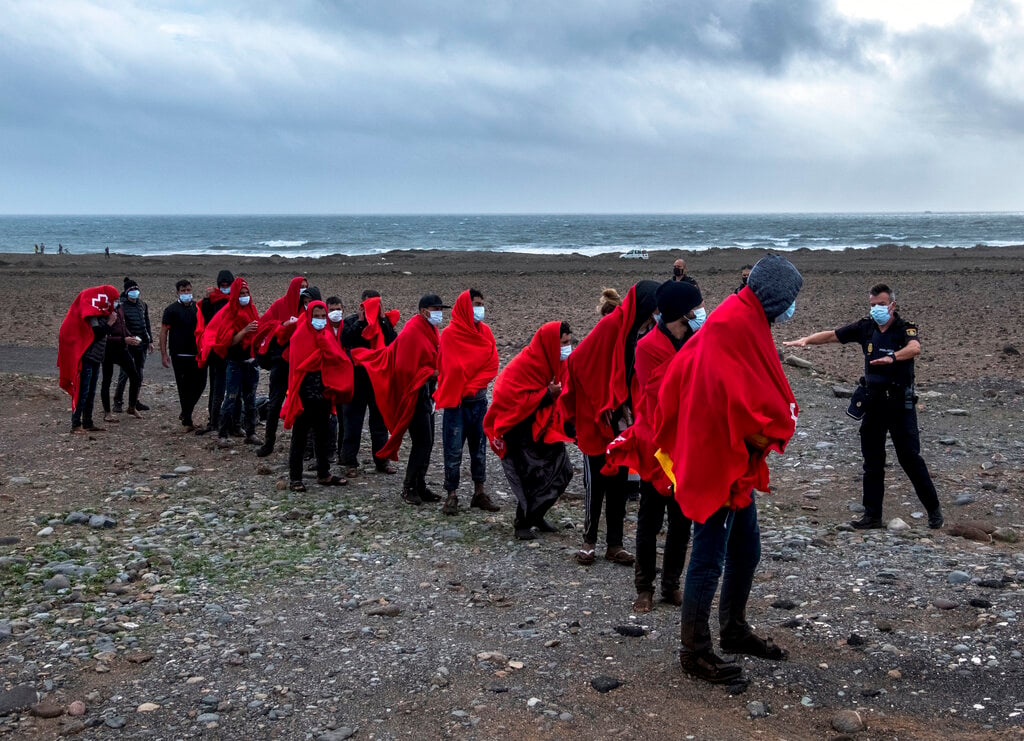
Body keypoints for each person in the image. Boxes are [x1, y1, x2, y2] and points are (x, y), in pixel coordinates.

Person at [655, 253, 801, 685]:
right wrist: (761, 429)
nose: (792, 308)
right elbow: (724, 394)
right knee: (708, 557)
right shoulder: (732, 324)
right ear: (775, 296)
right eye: (790, 299)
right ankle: (694, 651)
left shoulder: (745, 318)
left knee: (745, 551)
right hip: (717, 459)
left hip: (733, 460)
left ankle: (733, 630)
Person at [783, 283, 943, 530]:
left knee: (910, 458)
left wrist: (892, 357)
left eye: (881, 304)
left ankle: (934, 511)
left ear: (892, 305)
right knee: (872, 461)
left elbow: (915, 348)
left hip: (901, 404)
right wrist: (806, 340)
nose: (876, 309)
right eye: (872, 305)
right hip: (873, 403)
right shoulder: (866, 327)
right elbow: (833, 335)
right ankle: (872, 516)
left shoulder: (905, 328)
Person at [606, 280, 704, 612]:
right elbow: (658, 396)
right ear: (685, 312)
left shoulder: (696, 338)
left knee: (681, 519)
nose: (702, 311)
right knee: (650, 518)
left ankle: (671, 584)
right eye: (697, 307)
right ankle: (644, 586)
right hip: (657, 443)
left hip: (688, 443)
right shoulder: (648, 347)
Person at [558, 280, 659, 567]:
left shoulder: (643, 329)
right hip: (597, 414)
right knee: (596, 479)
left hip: (622, 414)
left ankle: (614, 544)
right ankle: (589, 540)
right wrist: (603, 401)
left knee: (619, 479)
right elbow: (579, 363)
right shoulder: (612, 326)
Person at [484, 321, 574, 540]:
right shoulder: (523, 365)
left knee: (563, 472)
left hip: (543, 428)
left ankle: (536, 514)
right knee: (529, 478)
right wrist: (545, 395)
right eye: (564, 343)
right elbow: (507, 397)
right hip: (520, 431)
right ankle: (522, 523)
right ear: (551, 343)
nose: (567, 348)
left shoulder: (553, 365)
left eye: (570, 342)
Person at [353, 294, 444, 506]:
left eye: (440, 308)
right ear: (423, 310)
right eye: (435, 308)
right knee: (422, 442)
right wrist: (430, 373)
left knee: (427, 443)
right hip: (414, 395)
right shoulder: (414, 331)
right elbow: (405, 367)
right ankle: (409, 487)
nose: (439, 313)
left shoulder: (428, 329)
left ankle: (420, 485)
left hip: (425, 393)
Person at [435, 289, 501, 516]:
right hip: (456, 404)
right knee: (453, 450)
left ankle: (479, 492)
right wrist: (467, 380)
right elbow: (448, 368)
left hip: (478, 400)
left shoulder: (485, 332)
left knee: (479, 449)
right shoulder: (449, 335)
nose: (479, 309)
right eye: (475, 304)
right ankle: (451, 494)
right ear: (465, 306)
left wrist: (470, 384)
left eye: (481, 304)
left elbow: (492, 364)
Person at [281, 300, 354, 491]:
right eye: (317, 316)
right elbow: (297, 368)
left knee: (323, 435)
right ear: (309, 315)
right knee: (300, 436)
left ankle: (324, 473)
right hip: (304, 394)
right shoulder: (300, 336)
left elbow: (336, 359)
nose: (321, 320)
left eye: (323, 316)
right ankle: (295, 478)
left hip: (323, 393)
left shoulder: (326, 336)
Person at [340, 290, 400, 476]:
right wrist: (360, 322)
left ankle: (381, 460)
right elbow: (345, 340)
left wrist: (382, 320)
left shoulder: (385, 323)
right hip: (357, 379)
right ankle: (349, 462)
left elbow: (393, 342)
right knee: (352, 422)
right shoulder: (351, 321)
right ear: (361, 305)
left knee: (379, 423)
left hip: (378, 381)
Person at [198, 277, 262, 447]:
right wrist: (245, 331)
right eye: (241, 293)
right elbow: (228, 341)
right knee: (231, 397)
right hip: (235, 362)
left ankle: (250, 432)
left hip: (251, 361)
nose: (245, 296)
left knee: (250, 399)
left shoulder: (251, 310)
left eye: (246, 293)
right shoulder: (229, 313)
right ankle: (223, 434)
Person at [253, 276, 309, 457]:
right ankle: (269, 442)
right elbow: (263, 325)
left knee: (304, 402)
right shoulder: (280, 305)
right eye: (300, 287)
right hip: (281, 361)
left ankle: (303, 445)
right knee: (275, 402)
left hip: (301, 362)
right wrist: (282, 325)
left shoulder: (307, 307)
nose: (303, 290)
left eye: (305, 287)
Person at [58, 285, 120, 433]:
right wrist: (110, 323)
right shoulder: (92, 315)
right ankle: (76, 424)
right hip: (87, 357)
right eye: (115, 300)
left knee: (91, 391)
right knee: (83, 391)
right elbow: (96, 333)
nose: (116, 303)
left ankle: (87, 422)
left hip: (97, 357)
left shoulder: (105, 313)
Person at [160, 279, 207, 433]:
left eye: (188, 290)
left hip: (196, 353)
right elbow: (163, 332)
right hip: (179, 354)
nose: (186, 293)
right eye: (183, 291)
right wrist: (164, 354)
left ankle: (186, 412)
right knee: (183, 387)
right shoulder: (171, 310)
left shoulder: (197, 308)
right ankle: (187, 420)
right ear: (177, 292)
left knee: (200, 384)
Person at [196, 270, 235, 434]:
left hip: (232, 349)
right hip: (216, 351)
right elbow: (205, 324)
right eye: (222, 285)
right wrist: (206, 299)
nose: (225, 288)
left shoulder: (235, 301)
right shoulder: (210, 301)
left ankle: (231, 421)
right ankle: (213, 421)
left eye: (228, 285)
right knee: (217, 388)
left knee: (232, 389)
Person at [114, 278, 153, 413]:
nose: (135, 292)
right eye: (131, 290)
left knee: (139, 373)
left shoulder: (142, 305)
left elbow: (146, 323)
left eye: (136, 289)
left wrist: (150, 341)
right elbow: (119, 326)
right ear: (126, 292)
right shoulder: (121, 307)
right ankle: (117, 401)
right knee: (124, 374)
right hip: (128, 345)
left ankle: (134, 401)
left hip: (141, 344)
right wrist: (124, 339)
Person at [100, 296, 143, 420]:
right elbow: (103, 335)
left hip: (122, 349)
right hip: (108, 350)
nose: (116, 302)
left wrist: (131, 336)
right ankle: (107, 412)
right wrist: (124, 339)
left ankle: (131, 406)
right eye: (114, 299)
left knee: (135, 376)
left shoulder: (119, 309)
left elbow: (123, 327)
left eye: (117, 299)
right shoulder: (103, 311)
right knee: (106, 380)